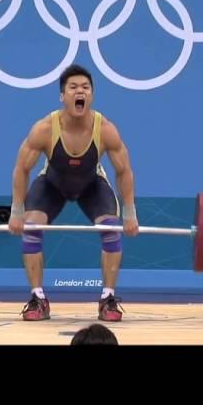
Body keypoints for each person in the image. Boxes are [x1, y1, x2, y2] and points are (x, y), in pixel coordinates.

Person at [8, 64, 139, 322]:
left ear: (91, 95)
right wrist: (17, 211)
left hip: (92, 185)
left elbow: (124, 171)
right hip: (52, 185)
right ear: (62, 96)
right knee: (32, 227)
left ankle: (108, 298)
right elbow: (22, 169)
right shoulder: (45, 129)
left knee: (110, 228)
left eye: (86, 87)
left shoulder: (106, 130)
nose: (80, 91)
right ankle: (38, 297)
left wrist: (130, 213)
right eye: (73, 87)